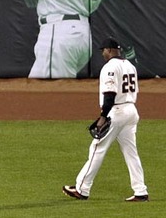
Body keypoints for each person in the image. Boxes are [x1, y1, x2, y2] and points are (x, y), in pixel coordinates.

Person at [62, 37, 149, 202]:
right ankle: (140, 191)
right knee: (131, 153)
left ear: (109, 50)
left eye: (103, 50)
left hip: (116, 112)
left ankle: (82, 189)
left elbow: (110, 94)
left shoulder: (109, 67)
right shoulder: (130, 65)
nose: (102, 53)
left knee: (97, 148)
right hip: (131, 110)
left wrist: (103, 116)